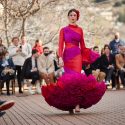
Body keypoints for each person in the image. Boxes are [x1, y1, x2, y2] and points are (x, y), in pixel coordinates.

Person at [41, 9, 106, 114]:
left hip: (77, 56)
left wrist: (88, 60)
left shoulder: (80, 30)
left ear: (77, 17)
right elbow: (61, 45)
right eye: (71, 15)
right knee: (68, 80)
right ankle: (69, 105)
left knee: (76, 79)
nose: (72, 16)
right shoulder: (63, 29)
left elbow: (83, 46)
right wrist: (60, 57)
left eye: (74, 15)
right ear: (68, 17)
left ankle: (77, 104)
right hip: (67, 56)